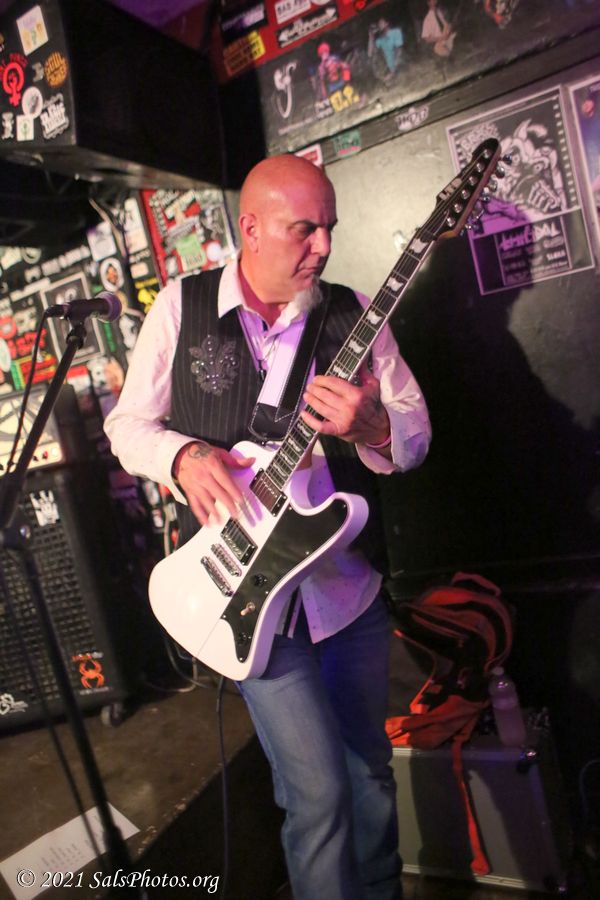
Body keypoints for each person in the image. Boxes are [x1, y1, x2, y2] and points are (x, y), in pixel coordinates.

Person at [104, 154, 431, 900]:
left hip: (345, 592)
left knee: (369, 775)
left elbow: (415, 434)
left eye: (330, 228)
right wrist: (182, 455)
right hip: (249, 603)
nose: (323, 245)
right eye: (304, 229)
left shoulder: (354, 312)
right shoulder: (181, 308)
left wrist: (375, 425)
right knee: (319, 796)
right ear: (249, 228)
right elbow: (127, 426)